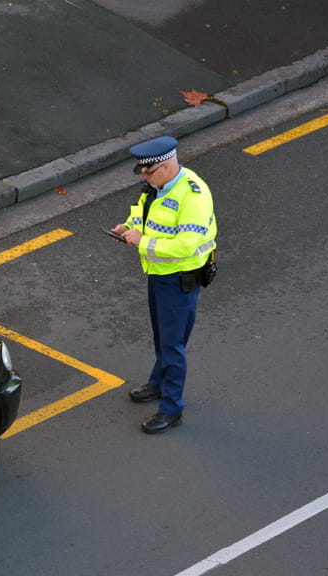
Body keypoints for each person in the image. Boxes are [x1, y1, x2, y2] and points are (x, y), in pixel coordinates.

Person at [109, 136, 217, 434]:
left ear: (167, 166)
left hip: (179, 279)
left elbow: (186, 245)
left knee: (172, 346)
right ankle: (157, 383)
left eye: (149, 172)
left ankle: (172, 408)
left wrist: (142, 241)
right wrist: (128, 227)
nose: (144, 177)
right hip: (159, 273)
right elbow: (142, 212)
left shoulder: (193, 196)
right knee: (163, 337)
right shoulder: (157, 186)